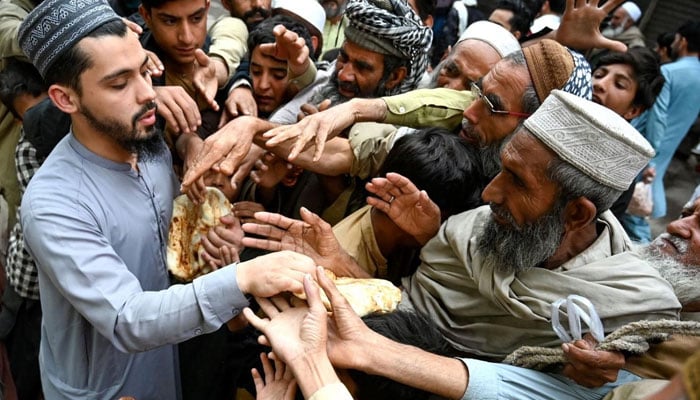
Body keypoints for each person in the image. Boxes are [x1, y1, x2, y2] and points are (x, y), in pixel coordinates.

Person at [17, 1, 316, 398]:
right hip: (106, 387)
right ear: (65, 99)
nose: (148, 95)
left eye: (145, 71)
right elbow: (126, 318)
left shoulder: (147, 144)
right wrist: (242, 276)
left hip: (166, 359)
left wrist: (211, 242)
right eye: (119, 84)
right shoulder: (55, 204)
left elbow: (167, 246)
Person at [318, 90, 679, 399]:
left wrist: (584, 377)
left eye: (518, 182)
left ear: (576, 216)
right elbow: (405, 306)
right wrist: (349, 265)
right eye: (502, 169)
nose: (490, 194)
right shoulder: (469, 228)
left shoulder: (633, 308)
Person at [623, 20, 700, 243]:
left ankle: (646, 247)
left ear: (682, 41)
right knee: (637, 199)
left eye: (676, 38)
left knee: (633, 202)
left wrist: (651, 153)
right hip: (670, 143)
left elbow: (657, 114)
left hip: (648, 144)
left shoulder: (669, 71)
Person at [0, 58, 47, 400]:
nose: (42, 121)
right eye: (31, 115)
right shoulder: (28, 149)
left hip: (47, 295)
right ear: (19, 121)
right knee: (28, 374)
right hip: (29, 293)